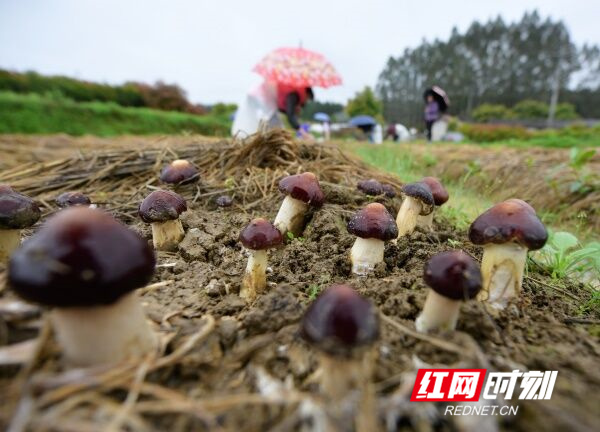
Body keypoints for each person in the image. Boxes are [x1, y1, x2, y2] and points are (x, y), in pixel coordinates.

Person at [231, 81, 314, 138]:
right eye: (308, 98)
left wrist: (293, 110)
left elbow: (283, 109)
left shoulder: (290, 90)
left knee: (263, 126)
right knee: (278, 130)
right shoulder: (293, 94)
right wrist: (303, 132)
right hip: (261, 99)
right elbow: (290, 116)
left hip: (256, 96)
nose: (306, 101)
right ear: (306, 93)